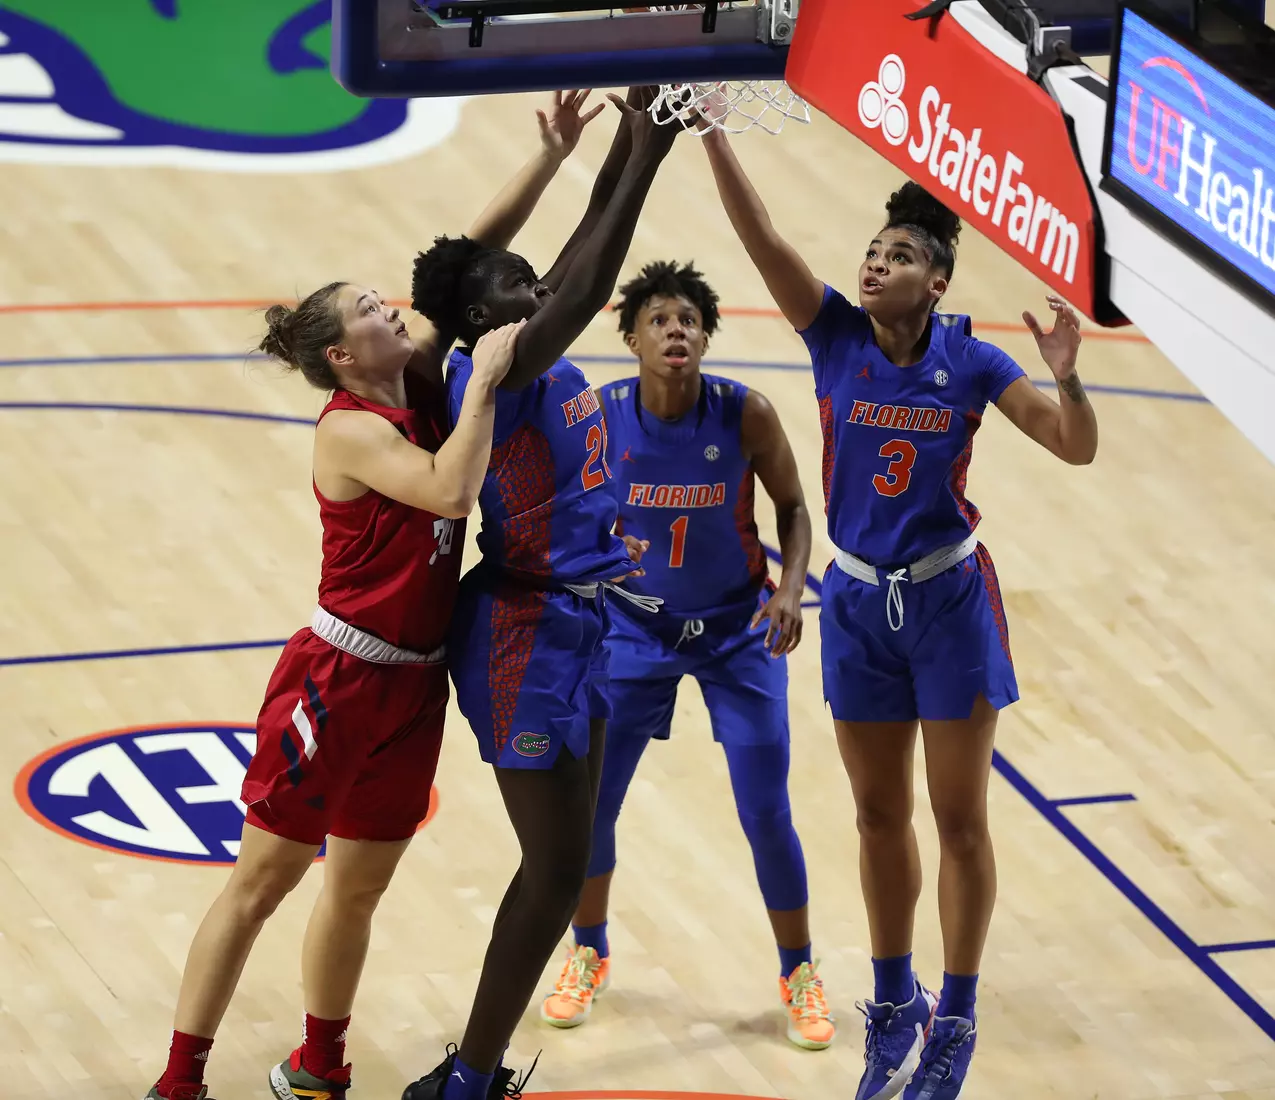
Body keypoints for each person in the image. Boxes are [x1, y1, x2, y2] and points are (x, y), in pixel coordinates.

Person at [144, 90, 605, 1100]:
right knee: (264, 879)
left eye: (386, 301)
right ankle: (178, 1078)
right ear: (345, 356)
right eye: (369, 310)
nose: (391, 306)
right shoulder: (351, 427)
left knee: (358, 885)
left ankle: (321, 1063)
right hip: (337, 677)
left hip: (415, 682)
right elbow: (448, 489)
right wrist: (484, 387)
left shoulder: (423, 372)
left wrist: (552, 156)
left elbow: (461, 258)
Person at [703, 126, 1098, 1100]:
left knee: (959, 820)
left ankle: (955, 1017)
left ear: (939, 282)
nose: (878, 261)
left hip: (949, 602)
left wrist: (1068, 373)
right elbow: (760, 238)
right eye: (876, 249)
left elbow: (1073, 445)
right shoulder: (834, 332)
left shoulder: (968, 361)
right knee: (879, 813)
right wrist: (709, 127)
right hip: (856, 602)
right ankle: (895, 1003)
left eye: (904, 254)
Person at [401, 89, 680, 1100]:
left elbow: (579, 248)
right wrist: (649, 153)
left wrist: (635, 130)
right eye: (521, 280)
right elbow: (590, 273)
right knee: (557, 864)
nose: (544, 280)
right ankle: (469, 1075)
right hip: (527, 632)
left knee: (573, 852)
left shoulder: (521, 331)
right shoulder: (501, 363)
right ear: (484, 313)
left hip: (580, 615)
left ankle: (473, 1069)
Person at [537, 259, 834, 1051]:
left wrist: (789, 588)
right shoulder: (596, 417)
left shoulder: (745, 413)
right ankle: (588, 952)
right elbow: (558, 516)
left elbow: (796, 508)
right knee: (595, 808)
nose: (676, 330)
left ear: (705, 338)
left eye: (689, 320)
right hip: (634, 633)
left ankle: (799, 971)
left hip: (738, 630)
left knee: (765, 810)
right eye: (660, 320)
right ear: (631, 338)